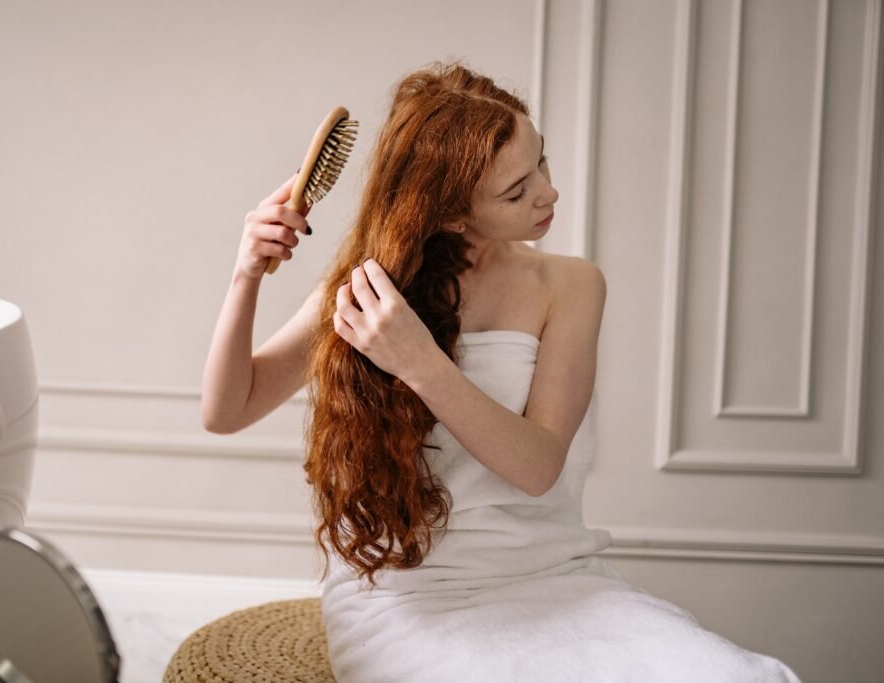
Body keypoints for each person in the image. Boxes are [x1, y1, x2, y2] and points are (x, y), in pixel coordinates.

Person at [202, 60, 802, 683]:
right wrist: (246, 273)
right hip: (407, 598)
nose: (548, 193)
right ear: (451, 215)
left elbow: (538, 466)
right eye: (515, 192)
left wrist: (419, 361)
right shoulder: (369, 294)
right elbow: (226, 411)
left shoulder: (570, 285)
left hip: (553, 576)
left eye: (541, 162)